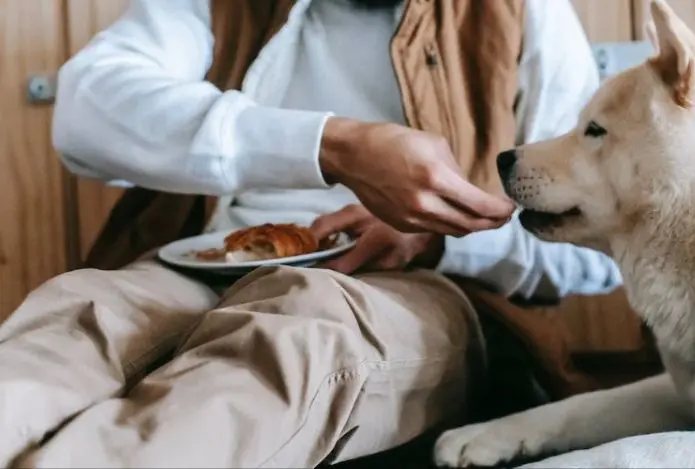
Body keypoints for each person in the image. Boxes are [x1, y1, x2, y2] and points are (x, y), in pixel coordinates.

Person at [0, 0, 622, 467]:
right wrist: (329, 145)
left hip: (412, 284)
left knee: (299, 335)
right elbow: (86, 108)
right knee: (82, 314)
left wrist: (438, 237)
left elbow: (602, 247)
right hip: (205, 260)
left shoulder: (519, 10)